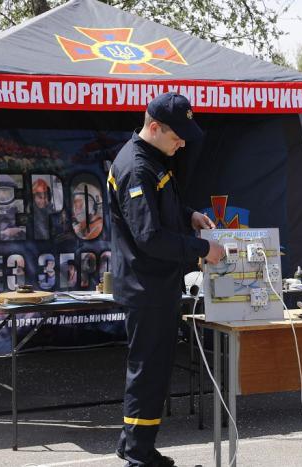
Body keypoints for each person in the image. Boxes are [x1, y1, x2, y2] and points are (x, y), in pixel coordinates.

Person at [108, 92, 224, 467]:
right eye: (177, 136)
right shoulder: (136, 167)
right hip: (147, 287)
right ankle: (138, 455)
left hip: (156, 284)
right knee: (148, 372)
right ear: (155, 127)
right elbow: (150, 237)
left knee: (151, 370)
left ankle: (133, 444)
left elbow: (161, 210)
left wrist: (189, 215)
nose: (183, 143)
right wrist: (202, 249)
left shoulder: (152, 159)